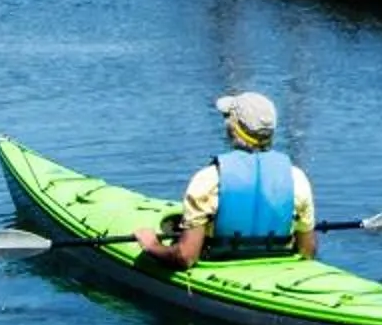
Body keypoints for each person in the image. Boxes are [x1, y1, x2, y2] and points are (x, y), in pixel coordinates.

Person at [133, 91, 317, 268]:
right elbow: (308, 251)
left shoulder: (208, 180)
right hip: (278, 264)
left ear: (231, 129)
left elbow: (186, 257)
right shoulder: (297, 179)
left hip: (217, 262)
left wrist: (152, 246)